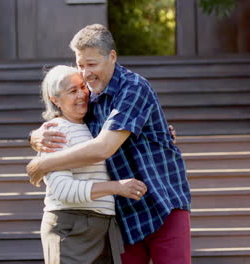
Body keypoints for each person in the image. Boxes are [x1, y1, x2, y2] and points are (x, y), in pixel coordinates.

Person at [28, 24, 191, 264]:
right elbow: (63, 121)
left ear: (112, 57)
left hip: (161, 204)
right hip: (124, 215)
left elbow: (103, 148)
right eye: (80, 65)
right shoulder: (89, 96)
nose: (85, 73)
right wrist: (34, 137)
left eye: (92, 64)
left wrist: (42, 164)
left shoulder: (133, 88)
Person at [37, 65, 147, 264]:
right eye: (72, 91)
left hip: (104, 227)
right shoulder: (54, 132)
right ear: (56, 100)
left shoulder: (95, 126)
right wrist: (116, 187)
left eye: (83, 87)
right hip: (71, 226)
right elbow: (63, 190)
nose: (82, 94)